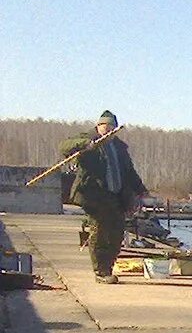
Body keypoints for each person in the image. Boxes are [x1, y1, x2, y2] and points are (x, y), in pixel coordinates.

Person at [59, 111, 148, 284]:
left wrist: (141, 189)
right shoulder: (88, 139)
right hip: (94, 194)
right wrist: (85, 144)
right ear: (98, 126)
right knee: (99, 231)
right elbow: (64, 147)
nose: (107, 131)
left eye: (111, 128)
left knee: (116, 234)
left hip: (115, 196)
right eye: (104, 127)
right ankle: (100, 271)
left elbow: (129, 171)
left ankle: (108, 267)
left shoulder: (119, 147)